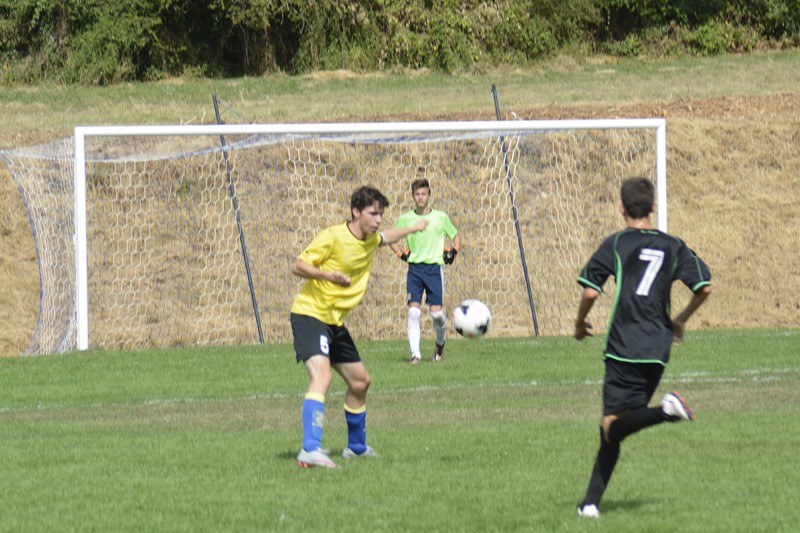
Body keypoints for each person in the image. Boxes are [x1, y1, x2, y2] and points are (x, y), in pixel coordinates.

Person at [573, 177, 712, 518]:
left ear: (621, 208)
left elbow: (590, 291)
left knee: (611, 426)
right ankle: (590, 504)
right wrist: (681, 320)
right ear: (653, 207)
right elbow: (704, 287)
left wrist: (580, 323)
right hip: (657, 347)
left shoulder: (617, 243)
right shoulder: (673, 245)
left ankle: (666, 410)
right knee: (617, 425)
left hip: (623, 344)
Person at [291, 186, 428, 469]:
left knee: (360, 382)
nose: (378, 220)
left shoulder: (370, 239)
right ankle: (310, 449)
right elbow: (298, 266)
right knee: (322, 376)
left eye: (380, 215)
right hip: (310, 314)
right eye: (373, 214)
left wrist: (414, 228)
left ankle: (355, 447)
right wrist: (328, 275)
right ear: (356, 212)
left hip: (334, 321)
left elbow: (386, 236)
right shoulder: (333, 236)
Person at [389, 179, 461, 365]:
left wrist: (454, 251)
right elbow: (392, 238)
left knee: (436, 314)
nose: (420, 197)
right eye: (417, 194)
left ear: (429, 195)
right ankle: (416, 355)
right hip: (415, 270)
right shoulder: (406, 219)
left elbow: (456, 236)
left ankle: (440, 343)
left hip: (434, 269)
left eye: (423, 194)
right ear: (412, 196)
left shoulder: (440, 217)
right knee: (413, 312)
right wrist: (400, 253)